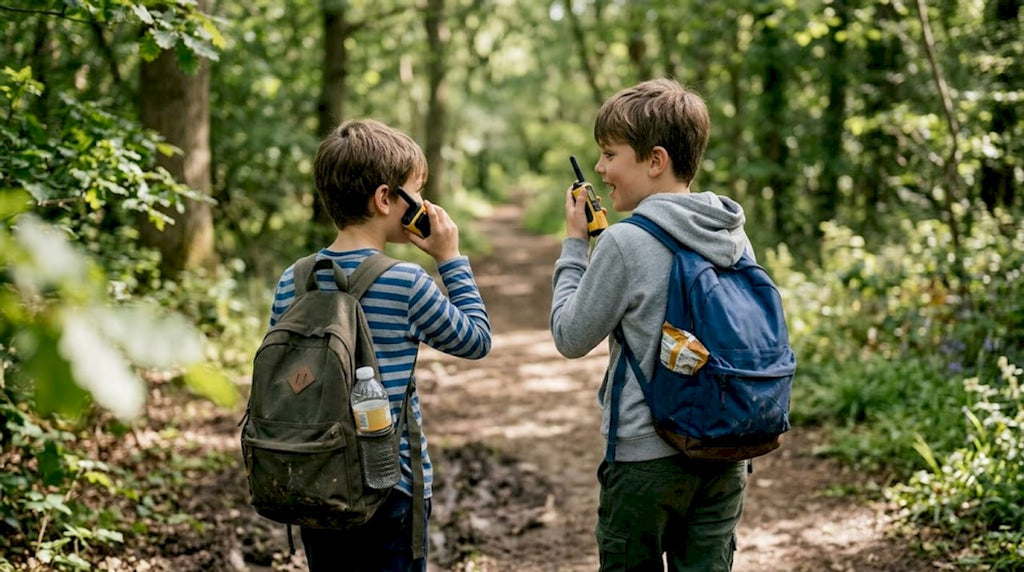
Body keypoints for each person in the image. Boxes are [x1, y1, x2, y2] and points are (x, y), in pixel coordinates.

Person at [268, 119, 492, 571]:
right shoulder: (405, 281)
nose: (423, 204)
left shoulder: (293, 280)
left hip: (318, 476)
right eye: (416, 191)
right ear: (386, 199)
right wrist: (450, 259)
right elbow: (476, 339)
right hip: (395, 486)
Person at [549, 78, 753, 571]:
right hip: (726, 449)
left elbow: (570, 336)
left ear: (655, 160)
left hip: (646, 458)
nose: (600, 168)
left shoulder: (625, 242)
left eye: (609, 154)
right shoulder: (732, 233)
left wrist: (576, 246)